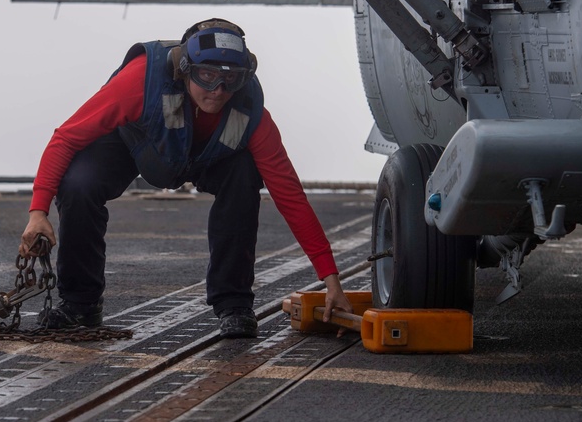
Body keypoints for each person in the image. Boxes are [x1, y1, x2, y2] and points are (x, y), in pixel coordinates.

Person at [19, 19, 353, 338]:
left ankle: (234, 305)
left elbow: (291, 196)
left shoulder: (251, 114)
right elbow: (65, 138)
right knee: (79, 183)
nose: (219, 91)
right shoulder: (139, 81)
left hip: (206, 157)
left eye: (231, 79)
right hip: (136, 142)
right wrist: (38, 213)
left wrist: (331, 280)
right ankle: (81, 305)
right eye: (208, 76)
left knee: (244, 174)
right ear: (185, 70)